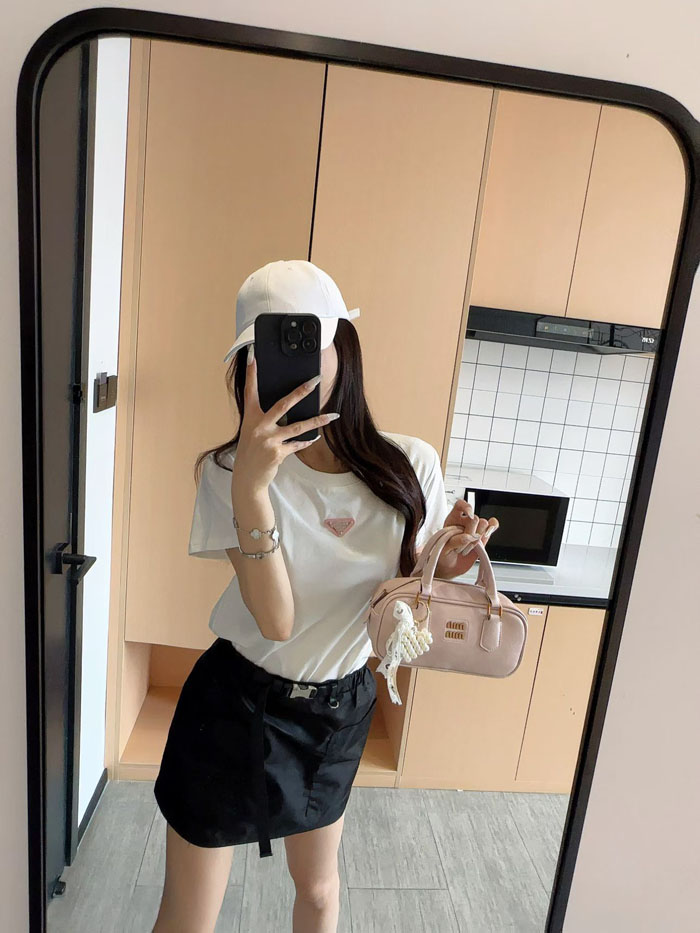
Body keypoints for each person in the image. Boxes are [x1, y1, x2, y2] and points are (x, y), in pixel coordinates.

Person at [152, 260, 498, 933]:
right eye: (266, 350)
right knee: (189, 918)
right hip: (235, 706)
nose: (292, 368)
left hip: (337, 709)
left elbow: (401, 596)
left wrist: (447, 562)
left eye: (306, 342)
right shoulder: (228, 473)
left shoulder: (411, 466)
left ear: (344, 345)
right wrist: (254, 489)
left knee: (317, 892)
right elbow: (276, 619)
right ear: (246, 367)